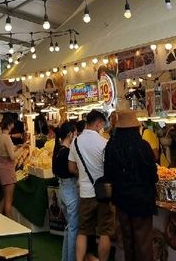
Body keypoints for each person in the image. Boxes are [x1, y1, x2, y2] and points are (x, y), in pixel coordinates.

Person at [104, 110, 157, 261]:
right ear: (136, 128)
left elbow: (108, 174)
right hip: (143, 200)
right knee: (143, 243)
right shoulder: (143, 146)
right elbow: (153, 175)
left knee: (127, 241)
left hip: (121, 200)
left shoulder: (111, 147)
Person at [68, 109, 114, 261]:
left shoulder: (75, 142)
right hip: (103, 194)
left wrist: (82, 174)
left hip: (85, 193)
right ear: (99, 123)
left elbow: (71, 168)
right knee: (104, 232)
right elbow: (109, 168)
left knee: (83, 231)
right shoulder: (104, 143)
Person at [52, 121, 79, 261]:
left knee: (69, 228)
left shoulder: (57, 150)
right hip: (70, 191)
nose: (76, 135)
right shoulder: (68, 152)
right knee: (73, 229)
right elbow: (73, 170)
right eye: (75, 133)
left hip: (62, 190)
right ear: (70, 134)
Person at [0, 114, 24, 217]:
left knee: (4, 196)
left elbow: (5, 152)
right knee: (9, 200)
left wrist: (16, 147)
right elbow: (12, 157)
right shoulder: (7, 138)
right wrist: (21, 149)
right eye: (12, 124)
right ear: (9, 125)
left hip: (1, 167)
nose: (13, 126)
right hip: (8, 169)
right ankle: (9, 223)